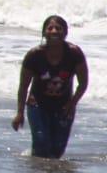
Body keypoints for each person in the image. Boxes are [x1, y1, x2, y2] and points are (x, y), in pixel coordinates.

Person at [13, 15, 88, 159]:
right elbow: (23, 87)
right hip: (37, 105)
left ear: (65, 33)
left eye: (58, 28)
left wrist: (72, 104)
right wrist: (20, 113)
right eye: (50, 28)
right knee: (42, 143)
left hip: (64, 106)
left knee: (57, 149)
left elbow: (83, 83)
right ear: (44, 33)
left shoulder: (74, 53)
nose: (54, 31)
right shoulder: (34, 55)